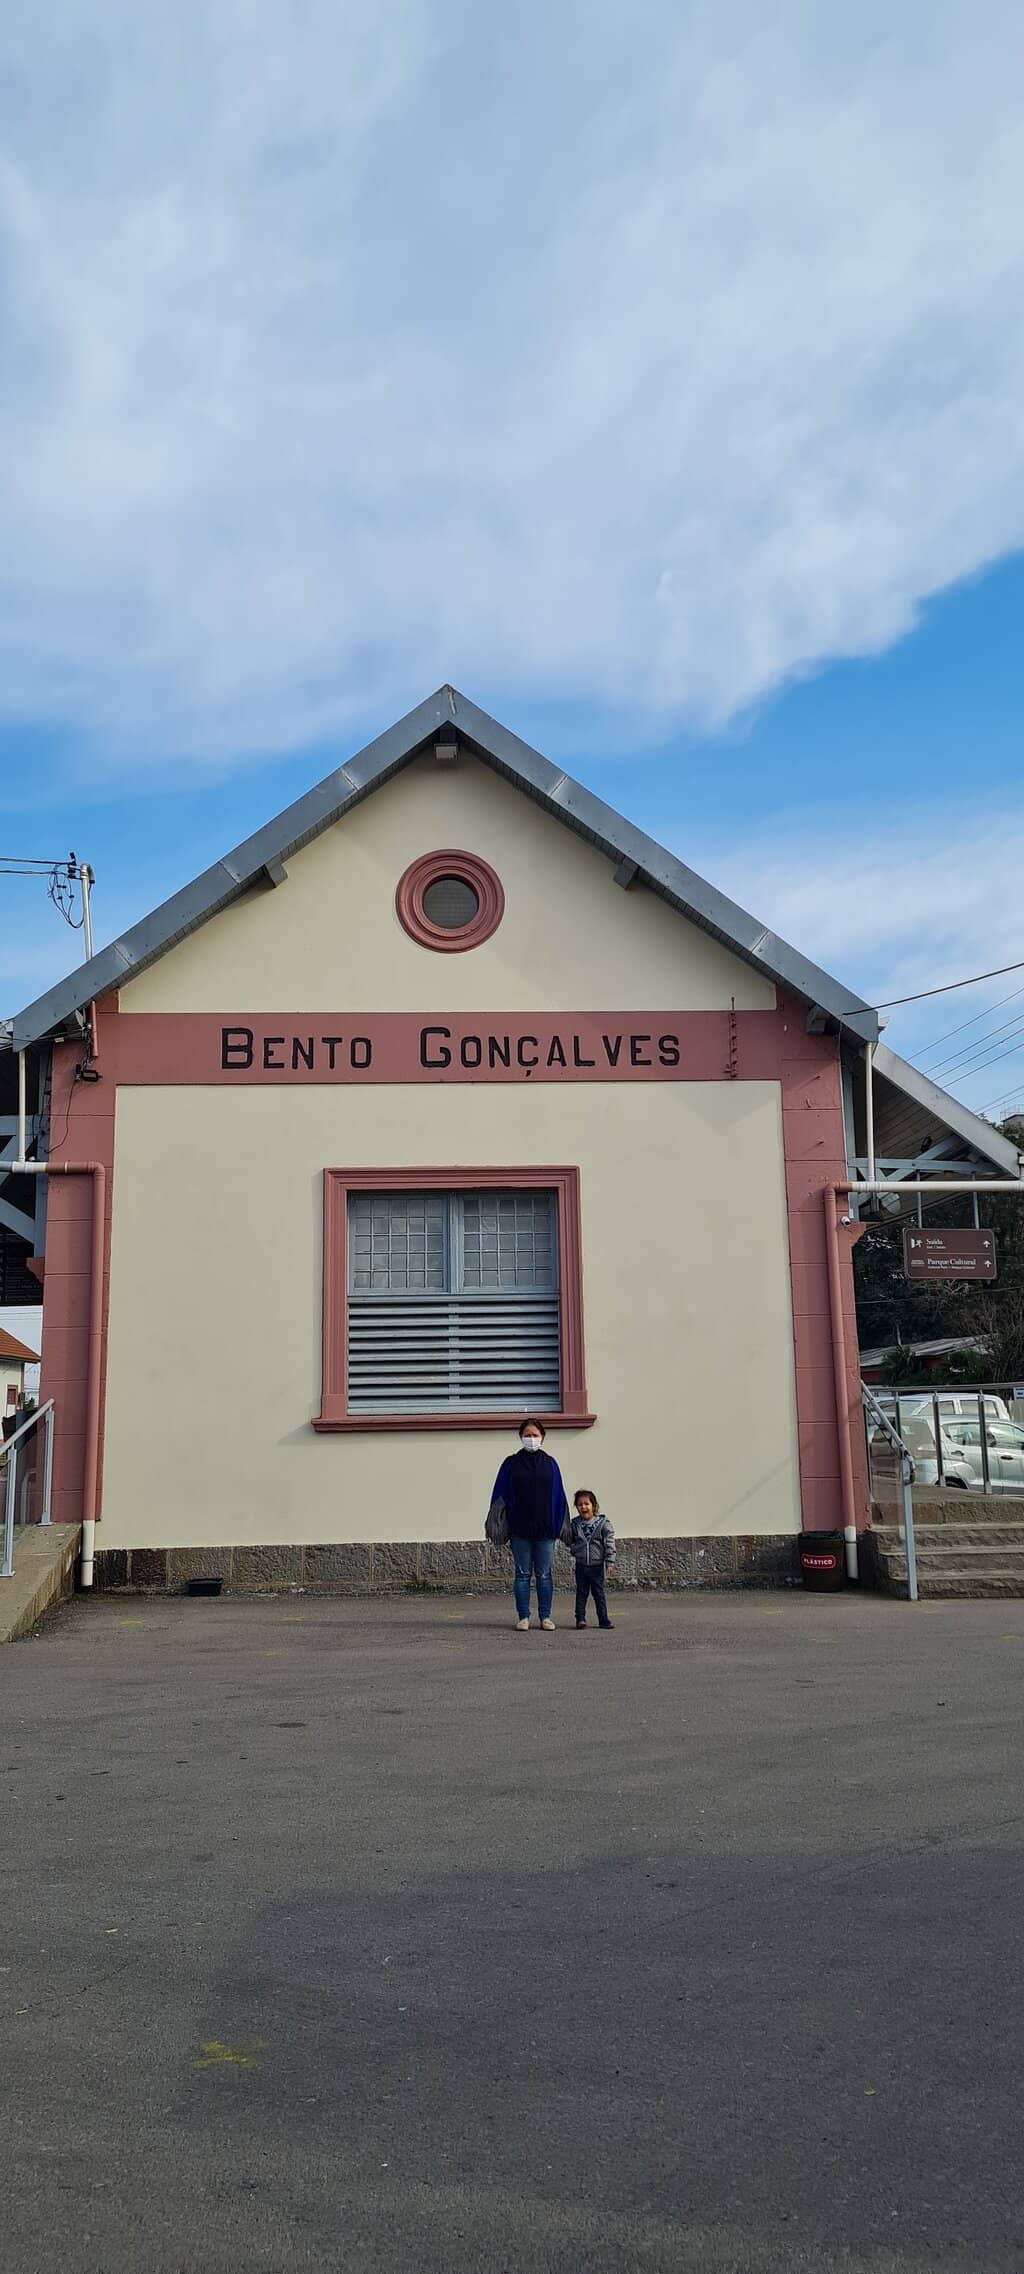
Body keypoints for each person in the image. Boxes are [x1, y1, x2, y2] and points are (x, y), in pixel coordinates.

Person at [488, 1420, 569, 1631]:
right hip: (520, 1528)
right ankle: (523, 1616)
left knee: (544, 1574)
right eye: (527, 1434)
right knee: (522, 1574)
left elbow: (559, 1496)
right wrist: (496, 1523)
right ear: (520, 1436)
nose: (531, 1438)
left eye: (535, 1434)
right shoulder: (510, 1463)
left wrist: (561, 1525)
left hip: (545, 1529)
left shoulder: (551, 1463)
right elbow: (499, 1494)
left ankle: (545, 1617)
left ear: (542, 1437)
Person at [569, 1490, 616, 1629]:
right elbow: (569, 1539)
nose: (583, 1507)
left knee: (598, 1594)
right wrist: (574, 1551)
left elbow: (609, 1542)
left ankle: (603, 1619)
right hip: (581, 1565)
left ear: (593, 1505)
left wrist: (610, 1561)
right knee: (581, 1593)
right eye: (580, 1505)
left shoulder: (603, 1523)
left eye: (586, 1504)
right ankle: (580, 1619)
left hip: (597, 1565)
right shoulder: (575, 1524)